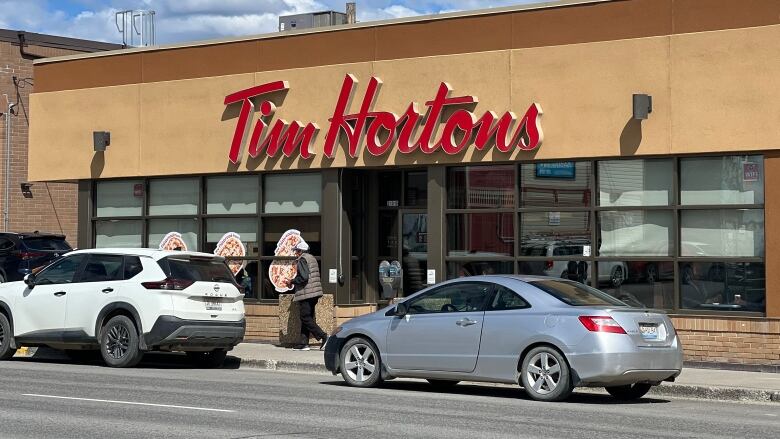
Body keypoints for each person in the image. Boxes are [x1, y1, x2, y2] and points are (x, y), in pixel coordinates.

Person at [286, 242, 328, 351]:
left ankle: (324, 337)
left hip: (307, 293)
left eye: (297, 251)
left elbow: (304, 277)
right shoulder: (312, 258)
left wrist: (292, 281)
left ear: (301, 251)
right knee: (307, 317)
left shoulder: (302, 259)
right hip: (314, 293)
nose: (295, 253)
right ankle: (303, 343)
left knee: (305, 317)